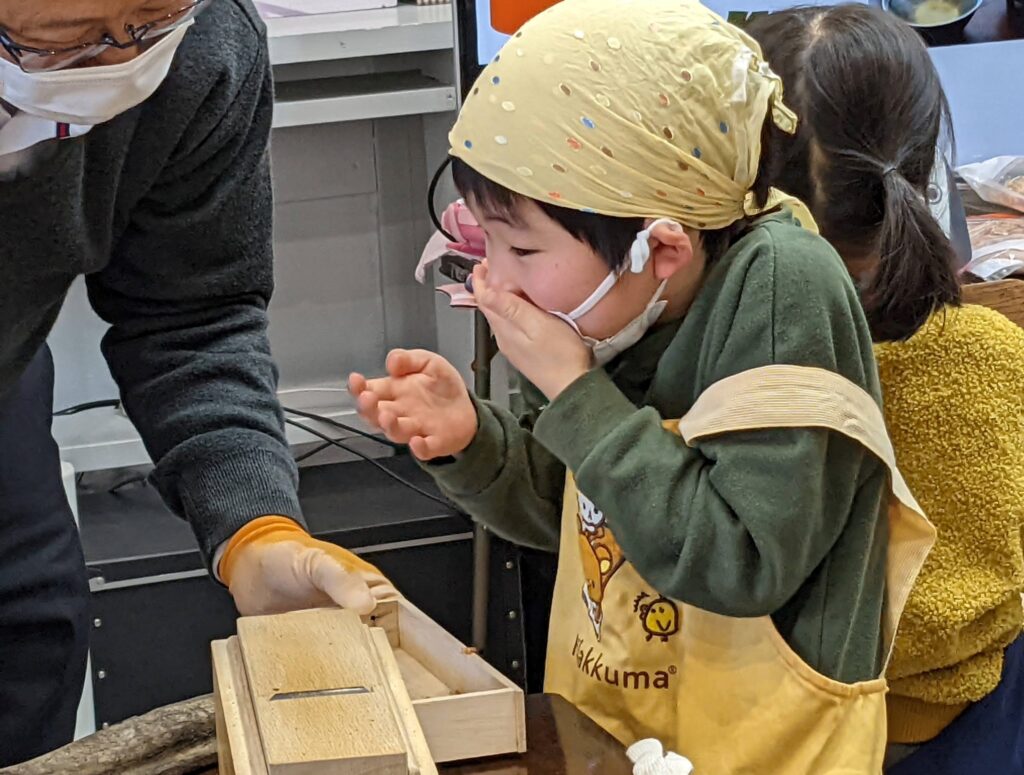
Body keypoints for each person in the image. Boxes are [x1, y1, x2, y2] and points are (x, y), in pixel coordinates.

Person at [350, 0, 935, 770]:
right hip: (619, 724)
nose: (494, 276)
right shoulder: (605, 314)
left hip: (771, 743)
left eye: (522, 246)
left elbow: (743, 560)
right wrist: (473, 441)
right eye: (483, 238)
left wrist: (574, 388)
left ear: (657, 248)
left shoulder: (782, 288)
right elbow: (583, 516)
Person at [0, 0, 393, 765]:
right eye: (61, 49)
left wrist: (255, 528)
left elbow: (190, 315)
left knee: (26, 638)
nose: (117, 64)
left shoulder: (201, 47)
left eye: (145, 24)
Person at [747, 6, 1024, 772]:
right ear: (926, 165)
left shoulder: (721, 373)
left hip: (777, 730)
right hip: (970, 728)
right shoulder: (993, 352)